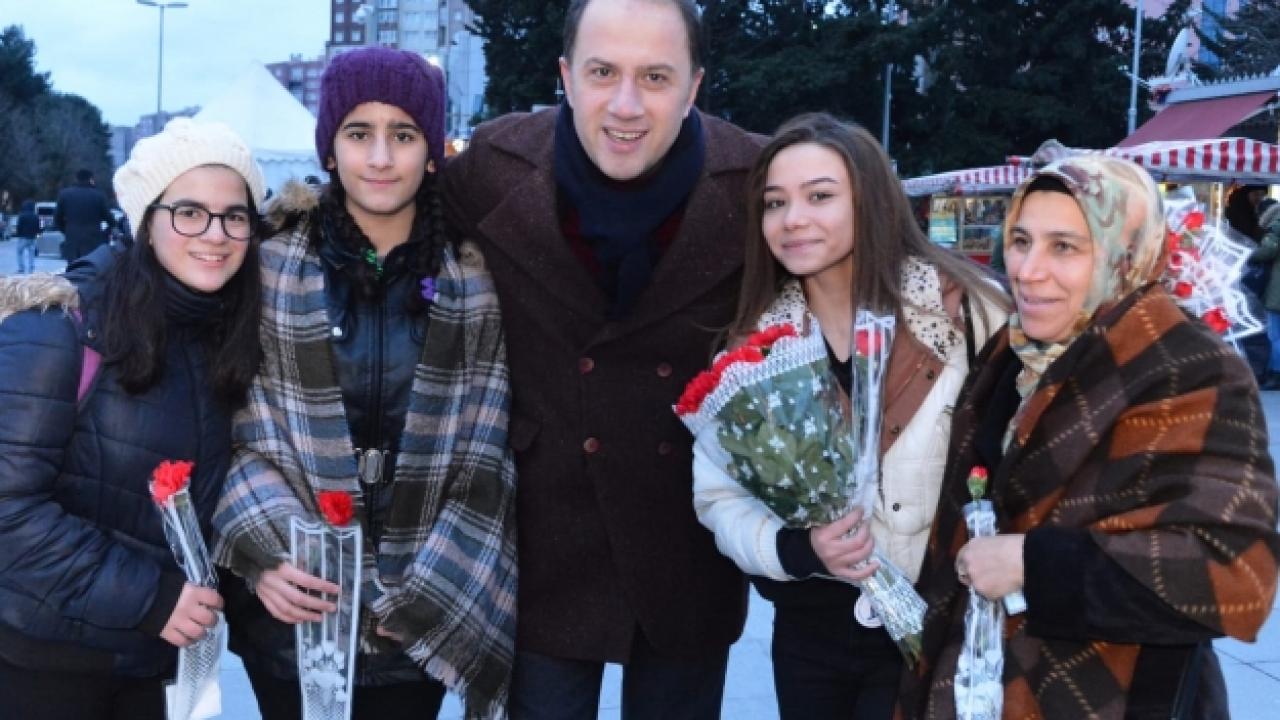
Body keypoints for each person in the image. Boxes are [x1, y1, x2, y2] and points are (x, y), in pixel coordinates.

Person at [441, 0, 763, 715]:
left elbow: (850, 257)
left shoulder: (754, 181)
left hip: (686, 542)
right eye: (601, 72)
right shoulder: (493, 168)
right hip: (541, 538)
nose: (625, 105)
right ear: (565, 76)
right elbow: (391, 230)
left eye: (655, 77)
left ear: (694, 86)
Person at [901, 156, 1280, 719]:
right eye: (1021, 241)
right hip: (979, 683)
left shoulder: (1188, 365)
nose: (1028, 270)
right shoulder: (1013, 351)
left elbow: (1235, 575)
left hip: (1109, 695)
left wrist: (1033, 564)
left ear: (1125, 254)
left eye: (1064, 247)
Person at [211, 47, 516, 719]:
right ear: (329, 147)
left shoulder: (475, 283)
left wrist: (424, 592)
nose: (380, 157)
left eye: (403, 135)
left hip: (420, 619)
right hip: (291, 611)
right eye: (358, 133)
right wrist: (269, 556)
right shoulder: (265, 269)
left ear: (431, 153)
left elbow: (485, 450)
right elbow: (230, 429)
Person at [690, 113, 1008, 720]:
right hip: (811, 638)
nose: (792, 219)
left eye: (819, 196)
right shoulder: (754, 350)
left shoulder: (962, 314)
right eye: (775, 203)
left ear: (871, 202)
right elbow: (718, 499)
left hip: (943, 624)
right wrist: (802, 549)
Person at [0, 118, 265, 719]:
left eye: (235, 216)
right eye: (189, 212)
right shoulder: (60, 328)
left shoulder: (225, 334)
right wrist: (150, 598)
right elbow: (8, 508)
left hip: (157, 667)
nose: (216, 234)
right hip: (47, 666)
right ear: (147, 219)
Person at [55, 167, 113, 261]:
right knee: (91, 265)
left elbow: (57, 218)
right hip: (93, 238)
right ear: (90, 179)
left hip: (72, 237)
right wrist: (106, 232)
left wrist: (66, 230)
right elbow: (109, 218)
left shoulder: (64, 194)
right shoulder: (98, 195)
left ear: (76, 178)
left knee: (73, 265)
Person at [13, 199, 40, 273]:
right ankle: (31, 268)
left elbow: (19, 226)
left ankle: (21, 268)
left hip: (23, 237)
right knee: (31, 254)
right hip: (33, 238)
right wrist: (37, 235)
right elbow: (38, 228)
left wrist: (18, 234)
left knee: (19, 252)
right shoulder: (36, 216)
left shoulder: (22, 216)